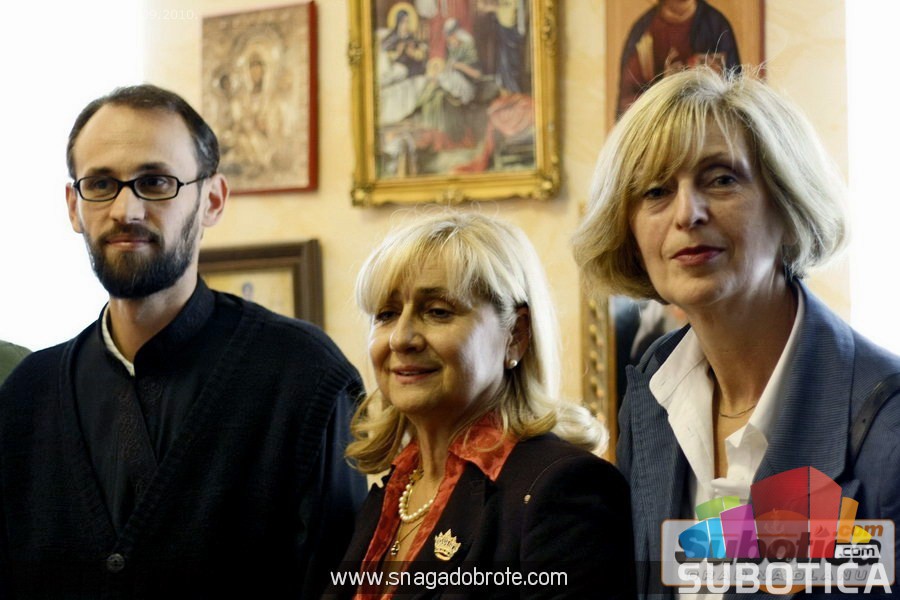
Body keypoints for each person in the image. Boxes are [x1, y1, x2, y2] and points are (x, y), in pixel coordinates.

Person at [0, 84, 366, 598]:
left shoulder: (305, 379)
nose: (126, 210)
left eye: (155, 182)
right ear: (73, 206)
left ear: (212, 200)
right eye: (101, 184)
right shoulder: (26, 396)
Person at [573, 66, 900, 597]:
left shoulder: (887, 421)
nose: (688, 213)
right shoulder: (650, 397)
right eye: (656, 191)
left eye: (721, 179)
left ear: (788, 206)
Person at [329, 212, 634, 598]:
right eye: (386, 315)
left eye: (437, 311)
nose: (401, 339)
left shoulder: (564, 489)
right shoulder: (393, 491)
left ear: (516, 335)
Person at [617, 0, 740, 117]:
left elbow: (736, 91)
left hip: (707, 122)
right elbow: (628, 101)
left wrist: (710, 78)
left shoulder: (716, 25)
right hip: (660, 125)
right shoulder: (644, 30)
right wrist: (665, 86)